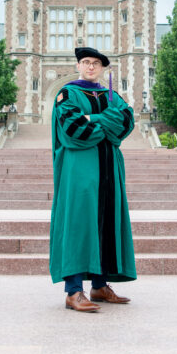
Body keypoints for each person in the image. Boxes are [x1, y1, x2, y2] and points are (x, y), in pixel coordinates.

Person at [49, 46, 136, 313]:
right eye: (86, 62)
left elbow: (125, 121)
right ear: (78, 65)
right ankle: (74, 291)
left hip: (110, 170)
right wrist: (104, 123)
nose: (90, 67)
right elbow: (74, 129)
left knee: (106, 222)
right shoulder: (67, 94)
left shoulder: (112, 95)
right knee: (79, 223)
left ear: (102, 68)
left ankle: (100, 286)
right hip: (80, 170)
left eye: (95, 63)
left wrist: (93, 117)